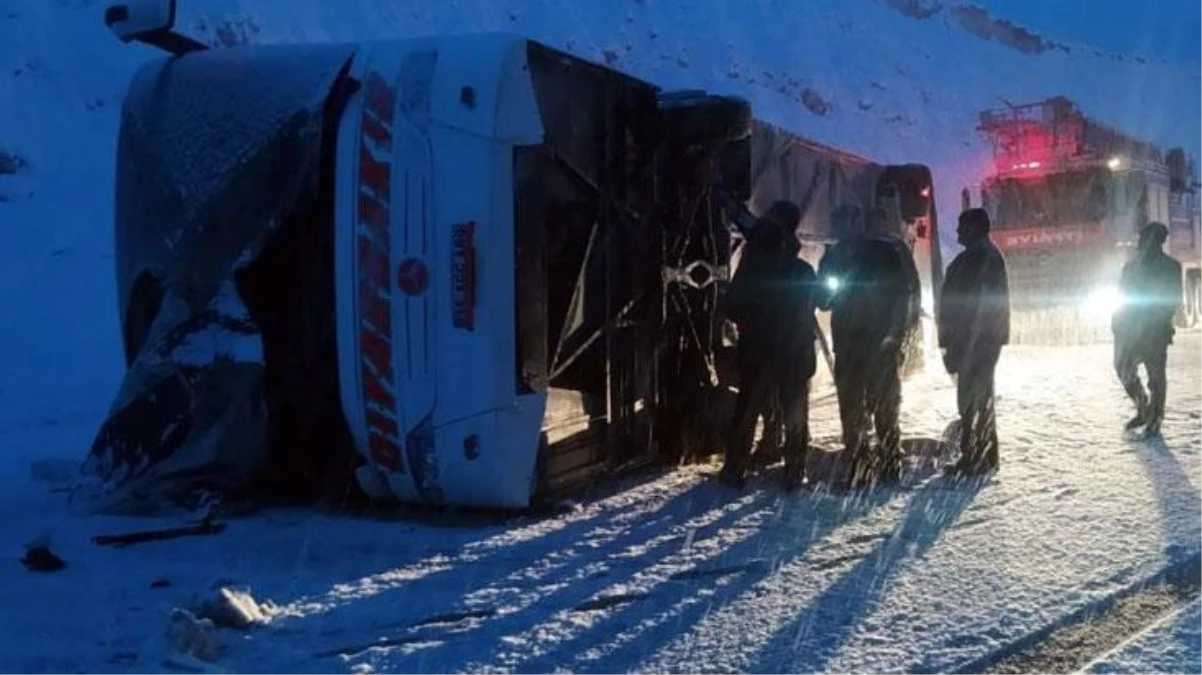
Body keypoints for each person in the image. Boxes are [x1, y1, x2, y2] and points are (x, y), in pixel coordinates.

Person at [721, 201, 817, 490]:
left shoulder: (754, 269)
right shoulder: (803, 271)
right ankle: (795, 470)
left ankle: (735, 468)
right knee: (795, 412)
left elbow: (734, 307)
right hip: (796, 352)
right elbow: (817, 303)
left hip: (759, 349)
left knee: (747, 410)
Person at [817, 204, 915, 488]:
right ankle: (876, 463)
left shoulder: (881, 254)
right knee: (862, 407)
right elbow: (823, 299)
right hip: (859, 342)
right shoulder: (842, 256)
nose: (838, 231)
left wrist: (894, 335)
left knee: (873, 406)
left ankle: (878, 464)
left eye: (841, 223)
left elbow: (900, 297)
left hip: (871, 342)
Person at [938, 208, 1010, 476]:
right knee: (976, 398)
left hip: (976, 341)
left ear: (975, 228)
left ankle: (976, 458)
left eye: (962, 226)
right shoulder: (980, 256)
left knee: (973, 399)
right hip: (976, 339)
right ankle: (982, 456)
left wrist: (967, 341)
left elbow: (980, 305)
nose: (957, 232)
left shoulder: (982, 257)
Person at [1112, 222, 1183, 437]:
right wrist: (1117, 321)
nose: (1145, 242)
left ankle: (1155, 417)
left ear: (1159, 240)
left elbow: (1173, 299)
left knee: (1156, 376)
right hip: (1130, 329)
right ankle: (1143, 407)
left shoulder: (1171, 266)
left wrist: (1159, 320)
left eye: (1150, 238)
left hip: (1154, 330)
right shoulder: (1130, 267)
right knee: (1123, 368)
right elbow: (1121, 296)